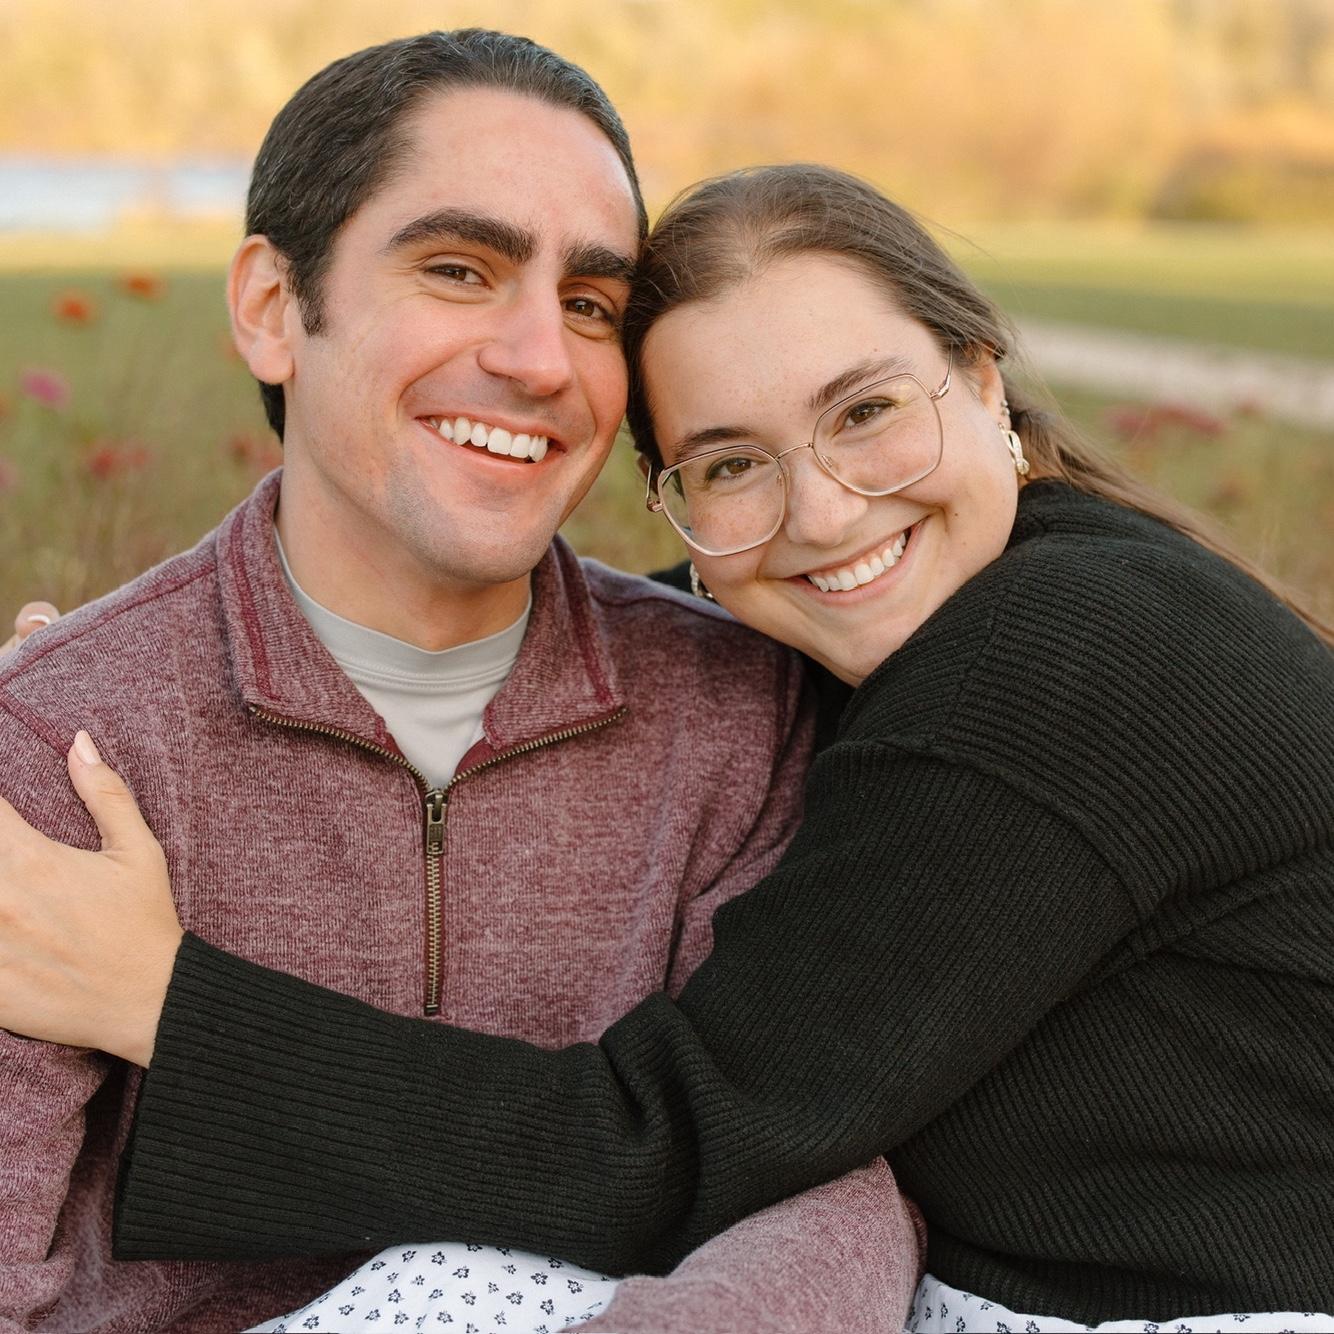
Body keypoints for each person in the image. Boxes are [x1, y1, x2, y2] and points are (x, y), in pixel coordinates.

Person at [4, 164, 1332, 1331]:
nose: (823, 513)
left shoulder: (1054, 658)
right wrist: (135, 662)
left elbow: (665, 1146)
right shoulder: (1012, 584)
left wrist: (156, 1001)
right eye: (732, 465)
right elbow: (670, 617)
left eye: (865, 411)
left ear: (983, 381)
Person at [0, 37, 922, 1334]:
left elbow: (810, 1178)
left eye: (590, 303)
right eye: (457, 270)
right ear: (272, 307)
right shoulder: (57, 742)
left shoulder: (737, 713)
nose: (541, 358)